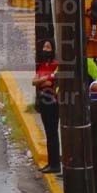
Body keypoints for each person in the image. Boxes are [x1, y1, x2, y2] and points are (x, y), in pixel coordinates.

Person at [32, 40, 59, 174]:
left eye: (48, 47)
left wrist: (44, 81)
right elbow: (34, 81)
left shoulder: (56, 64)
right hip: (42, 98)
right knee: (48, 132)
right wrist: (45, 79)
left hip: (52, 99)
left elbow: (55, 80)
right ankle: (51, 162)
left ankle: (55, 164)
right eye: (43, 47)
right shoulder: (42, 65)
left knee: (52, 132)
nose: (45, 49)